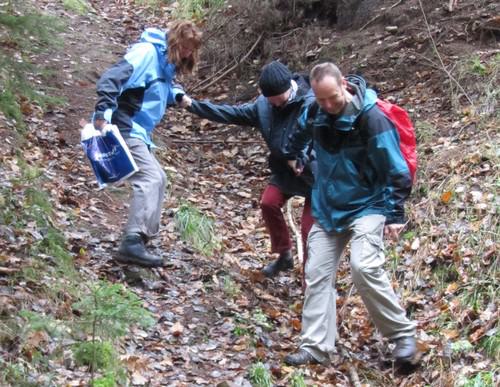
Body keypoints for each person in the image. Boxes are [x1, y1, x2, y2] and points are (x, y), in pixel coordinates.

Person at [283, 62, 417, 365]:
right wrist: (295, 155)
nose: (329, 105)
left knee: (364, 267)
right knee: (316, 273)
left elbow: (396, 171)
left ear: (344, 84)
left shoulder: (371, 118)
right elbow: (298, 133)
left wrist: (395, 214)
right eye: (322, 99)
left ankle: (403, 337)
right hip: (329, 208)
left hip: (368, 204)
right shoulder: (315, 110)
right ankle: (316, 347)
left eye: (333, 97)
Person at [181, 61, 315, 279]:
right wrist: (193, 105)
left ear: (289, 88)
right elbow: (231, 113)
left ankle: (312, 280)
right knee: (268, 203)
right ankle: (284, 256)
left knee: (310, 231)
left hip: (315, 175)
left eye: (277, 99)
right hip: (285, 171)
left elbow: (315, 139)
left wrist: (300, 158)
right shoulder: (264, 106)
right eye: (269, 99)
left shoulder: (311, 102)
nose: (273, 104)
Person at [92, 21, 202, 267]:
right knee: (149, 178)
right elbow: (111, 79)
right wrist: (102, 115)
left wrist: (177, 95)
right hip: (122, 126)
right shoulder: (146, 53)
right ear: (173, 42)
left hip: (139, 131)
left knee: (160, 178)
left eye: (191, 49)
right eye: (184, 47)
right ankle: (131, 243)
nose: (187, 54)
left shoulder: (165, 64)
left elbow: (155, 87)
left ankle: (142, 239)